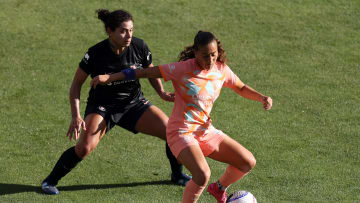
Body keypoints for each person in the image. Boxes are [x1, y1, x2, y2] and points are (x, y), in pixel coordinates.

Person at [90, 31, 273, 203]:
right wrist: (111, 77)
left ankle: (219, 188)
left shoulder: (221, 70)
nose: (210, 59)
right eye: (205, 55)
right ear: (195, 53)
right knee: (202, 175)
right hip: (181, 132)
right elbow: (144, 72)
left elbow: (240, 87)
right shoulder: (182, 69)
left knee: (247, 162)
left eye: (213, 54)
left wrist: (261, 97)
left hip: (204, 130)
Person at [41, 9, 190, 195]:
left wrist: (161, 92)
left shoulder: (139, 46)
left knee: (172, 132)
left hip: (133, 103)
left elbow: (149, 71)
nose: (128, 35)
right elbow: (76, 84)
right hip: (103, 107)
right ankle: (50, 181)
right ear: (109, 31)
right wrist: (76, 115)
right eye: (123, 31)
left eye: (131, 30)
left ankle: (177, 174)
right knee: (84, 147)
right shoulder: (95, 53)